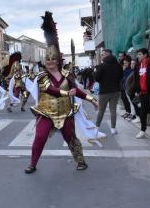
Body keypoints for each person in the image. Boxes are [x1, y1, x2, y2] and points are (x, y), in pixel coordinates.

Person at [25, 12, 98, 173]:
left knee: (71, 138)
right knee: (40, 137)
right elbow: (50, 90)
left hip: (65, 113)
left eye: (53, 59)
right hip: (46, 112)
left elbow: (76, 91)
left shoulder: (67, 75)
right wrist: (67, 94)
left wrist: (91, 99)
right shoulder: (42, 76)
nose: (50, 62)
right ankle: (32, 164)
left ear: (58, 60)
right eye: (48, 59)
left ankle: (80, 161)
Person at [94, 49, 122, 134]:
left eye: (102, 54)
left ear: (107, 54)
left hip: (104, 91)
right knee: (113, 109)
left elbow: (97, 78)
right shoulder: (118, 65)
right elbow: (120, 77)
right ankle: (113, 128)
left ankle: (97, 127)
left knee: (101, 110)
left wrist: (95, 72)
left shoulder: (101, 66)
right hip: (116, 90)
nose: (101, 56)